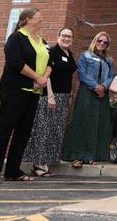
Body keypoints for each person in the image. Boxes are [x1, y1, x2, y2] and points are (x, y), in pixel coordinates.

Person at [0, 8, 51, 184]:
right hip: (15, 90)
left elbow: (51, 62)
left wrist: (43, 78)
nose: (42, 19)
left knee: (23, 133)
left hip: (34, 92)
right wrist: (36, 76)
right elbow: (15, 62)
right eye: (39, 16)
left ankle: (13, 171)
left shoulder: (43, 41)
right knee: (5, 129)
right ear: (28, 19)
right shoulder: (16, 38)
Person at [23, 26, 78, 177]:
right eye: (64, 35)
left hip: (64, 97)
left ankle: (44, 162)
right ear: (58, 36)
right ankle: (38, 164)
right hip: (50, 96)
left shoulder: (69, 54)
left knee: (54, 131)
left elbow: (69, 76)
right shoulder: (52, 52)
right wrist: (51, 96)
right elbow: (46, 75)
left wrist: (70, 95)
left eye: (69, 36)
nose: (67, 39)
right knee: (44, 130)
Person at [63, 31, 116, 167]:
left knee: (98, 123)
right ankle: (77, 156)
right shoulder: (85, 56)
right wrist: (95, 86)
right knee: (83, 122)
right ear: (95, 41)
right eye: (99, 41)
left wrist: (103, 87)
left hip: (102, 95)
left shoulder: (109, 60)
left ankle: (92, 155)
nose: (102, 44)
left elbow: (111, 76)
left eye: (105, 42)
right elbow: (82, 74)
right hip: (87, 92)